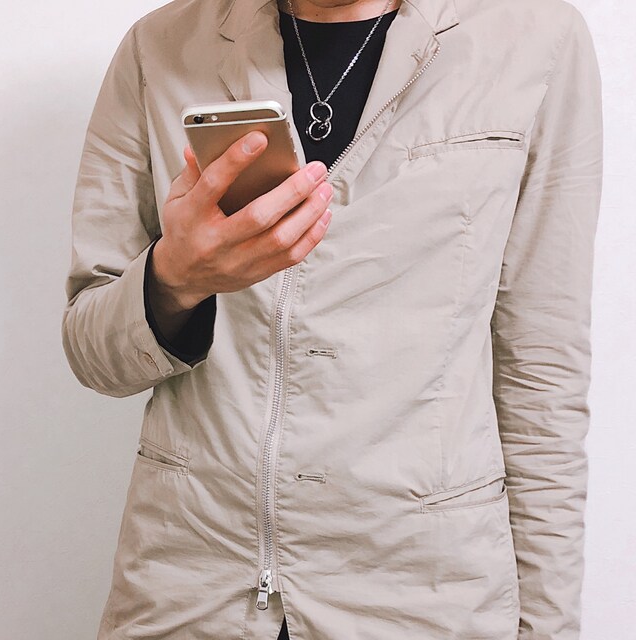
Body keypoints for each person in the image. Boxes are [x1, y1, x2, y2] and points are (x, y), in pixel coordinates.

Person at [61, 0, 603, 638]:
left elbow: (542, 376)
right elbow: (92, 352)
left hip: (424, 598)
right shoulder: (160, 46)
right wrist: (175, 278)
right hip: (189, 588)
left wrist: (547, 625)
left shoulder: (536, 39)